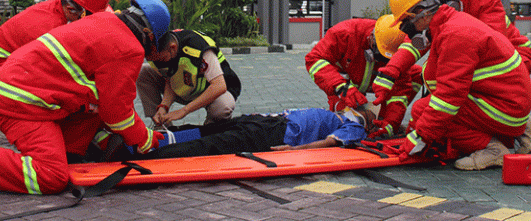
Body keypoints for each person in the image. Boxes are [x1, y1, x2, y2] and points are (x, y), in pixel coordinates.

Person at [0, 0, 171, 196]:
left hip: (15, 89)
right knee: (51, 176)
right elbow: (117, 113)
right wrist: (144, 139)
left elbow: (103, 97)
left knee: (94, 106)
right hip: (23, 103)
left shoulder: (103, 20)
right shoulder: (128, 47)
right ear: (148, 34)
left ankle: (70, 155)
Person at [377, 0, 531, 153]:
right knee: (439, 100)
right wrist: (390, 72)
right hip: (483, 61)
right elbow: (414, 44)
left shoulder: (482, 0)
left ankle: (512, 134)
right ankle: (497, 127)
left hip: (515, 56)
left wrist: (420, 135)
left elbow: (494, 46)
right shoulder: (440, 13)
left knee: (448, 100)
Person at [389, 0, 531, 170]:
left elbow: (448, 99)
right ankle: (505, 136)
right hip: (503, 102)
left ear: (421, 14)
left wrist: (418, 137)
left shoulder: (455, 34)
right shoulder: (449, 24)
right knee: (425, 111)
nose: (407, 31)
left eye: (405, 24)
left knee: (425, 111)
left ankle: (493, 149)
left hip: (505, 108)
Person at [0, 0, 111, 106]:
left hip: (2, 75)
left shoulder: (57, 12)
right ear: (71, 9)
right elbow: (61, 73)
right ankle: (16, 128)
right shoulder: (47, 27)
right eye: (91, 16)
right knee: (72, 95)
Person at [305, 15, 422, 138]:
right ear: (372, 38)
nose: (383, 60)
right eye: (380, 55)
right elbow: (313, 60)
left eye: (389, 59)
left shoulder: (398, 44)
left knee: (415, 73)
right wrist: (341, 88)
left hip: (375, 82)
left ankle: (379, 121)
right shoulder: (344, 33)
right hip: (343, 84)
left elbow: (400, 90)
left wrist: (391, 122)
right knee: (347, 122)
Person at [136, 106, 378, 160]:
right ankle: (148, 140)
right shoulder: (337, 114)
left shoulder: (355, 127)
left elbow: (330, 142)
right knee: (207, 132)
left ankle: (146, 151)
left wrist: (294, 151)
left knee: (212, 141)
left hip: (278, 133)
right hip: (269, 123)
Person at [136, 29, 241, 127]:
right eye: (153, 60)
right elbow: (170, 78)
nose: (159, 63)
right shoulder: (157, 53)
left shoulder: (198, 47)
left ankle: (209, 131)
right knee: (143, 72)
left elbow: (219, 86)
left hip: (212, 89)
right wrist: (163, 107)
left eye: (161, 59)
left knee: (222, 108)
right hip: (185, 88)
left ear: (172, 48)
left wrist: (184, 111)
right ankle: (161, 124)